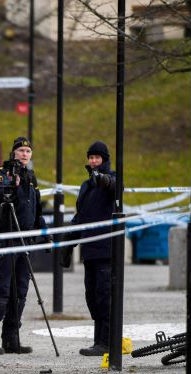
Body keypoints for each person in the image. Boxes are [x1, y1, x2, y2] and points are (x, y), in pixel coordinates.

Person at [0, 136, 49, 355]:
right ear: (13, 153)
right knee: (1, 290)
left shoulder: (30, 177)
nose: (24, 155)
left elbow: (35, 208)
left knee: (20, 292)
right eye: (21, 151)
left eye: (28, 152)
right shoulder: (2, 174)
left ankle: (12, 339)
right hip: (5, 239)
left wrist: (44, 233)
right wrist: (11, 183)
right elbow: (1, 196)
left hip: (24, 241)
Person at [67, 141, 116, 356]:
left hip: (106, 250)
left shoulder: (112, 178)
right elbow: (81, 217)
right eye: (91, 157)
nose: (93, 161)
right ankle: (98, 341)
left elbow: (115, 188)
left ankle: (106, 342)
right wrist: (69, 243)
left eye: (97, 157)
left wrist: (104, 180)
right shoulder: (86, 186)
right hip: (89, 252)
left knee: (104, 296)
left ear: (104, 159)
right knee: (92, 297)